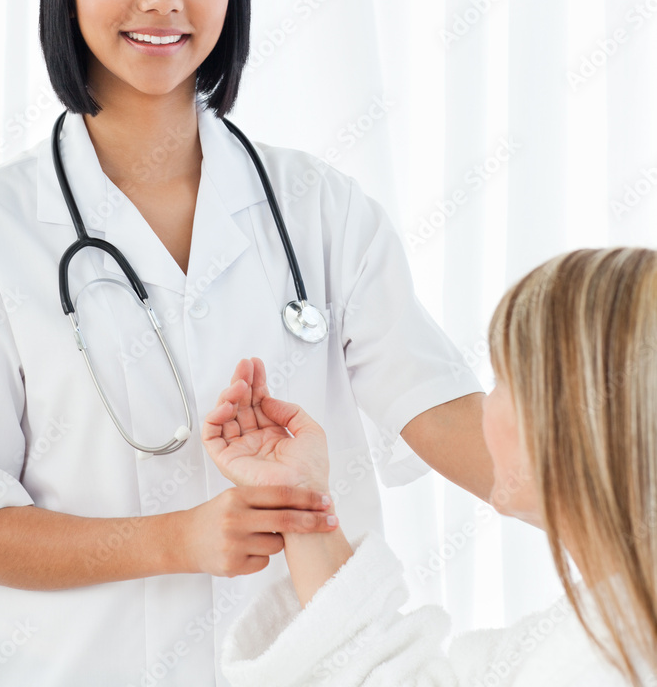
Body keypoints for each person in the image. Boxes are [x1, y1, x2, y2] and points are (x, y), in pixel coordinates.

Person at [0, 0, 491, 686]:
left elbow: (450, 418)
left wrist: (604, 486)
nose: (161, 0)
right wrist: (180, 539)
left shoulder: (321, 210)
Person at [204, 248, 657, 687]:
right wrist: (298, 492)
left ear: (581, 421)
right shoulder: (597, 637)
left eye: (504, 381)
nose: (485, 409)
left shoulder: (604, 662)